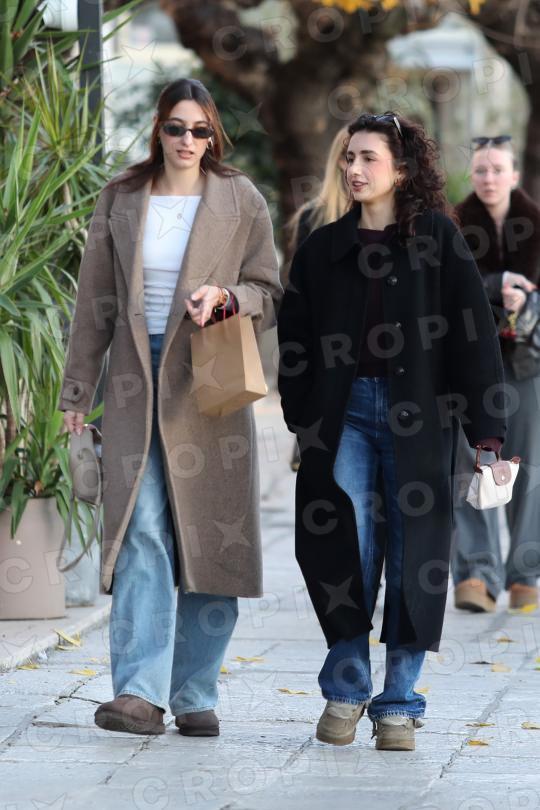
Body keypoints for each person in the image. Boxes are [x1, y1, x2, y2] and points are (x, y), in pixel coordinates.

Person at [58, 78, 281, 737]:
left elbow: (270, 290)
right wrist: (77, 394)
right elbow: (94, 302)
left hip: (207, 379)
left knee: (212, 536)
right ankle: (139, 692)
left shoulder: (240, 198)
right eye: (176, 127)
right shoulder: (122, 196)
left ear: (215, 135)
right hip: (133, 378)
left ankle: (193, 691)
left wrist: (228, 296)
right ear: (158, 129)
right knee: (143, 529)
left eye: (200, 130)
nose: (188, 140)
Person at [277, 112, 506, 752]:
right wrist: (304, 416)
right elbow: (294, 340)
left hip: (422, 421)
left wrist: (487, 435)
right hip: (343, 416)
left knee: (415, 558)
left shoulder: (438, 238)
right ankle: (347, 688)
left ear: (401, 170)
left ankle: (400, 703)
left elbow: (474, 335)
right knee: (341, 546)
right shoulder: (323, 247)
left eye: (369, 158)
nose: (354, 169)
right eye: (349, 157)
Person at [451, 135, 540, 613]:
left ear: (514, 175)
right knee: (470, 464)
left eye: (497, 169)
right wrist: (495, 284)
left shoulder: (537, 223)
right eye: (481, 169)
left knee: (529, 467)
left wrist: (527, 297)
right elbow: (446, 285)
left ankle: (524, 574)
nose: (489, 178)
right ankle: (475, 573)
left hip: (528, 361)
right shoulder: (453, 225)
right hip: (470, 362)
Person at [287, 127, 350, 472]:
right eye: (349, 155)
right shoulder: (312, 219)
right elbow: (300, 302)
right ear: (338, 160)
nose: (356, 166)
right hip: (323, 360)